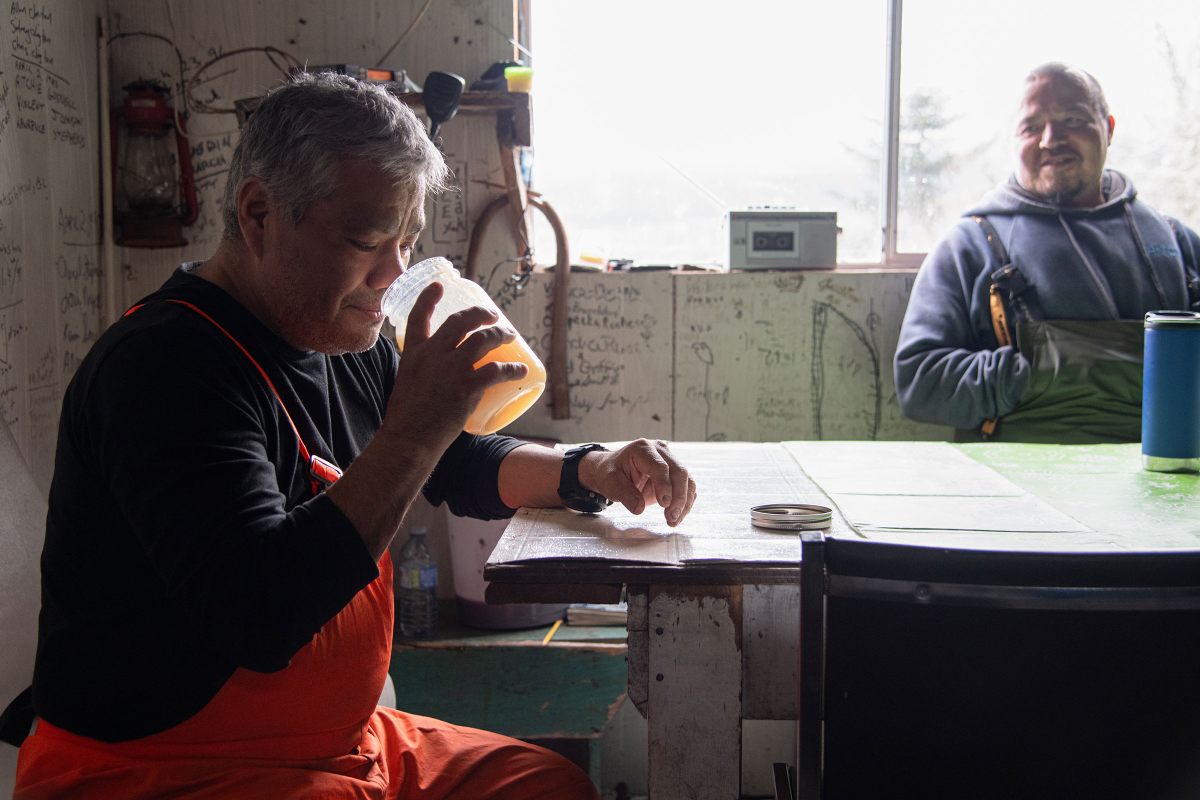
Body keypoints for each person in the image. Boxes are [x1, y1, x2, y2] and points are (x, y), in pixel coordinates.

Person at [10, 72, 696, 799]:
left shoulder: (345, 336)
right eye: (367, 240)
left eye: (407, 242)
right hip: (163, 769)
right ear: (258, 215)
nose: (392, 276)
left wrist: (588, 469)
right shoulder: (163, 367)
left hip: (339, 744)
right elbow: (259, 616)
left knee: (545, 786)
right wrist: (410, 435)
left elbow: (451, 459)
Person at [894, 62, 1200, 443]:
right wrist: (1038, 372)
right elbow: (920, 383)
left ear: (1108, 128)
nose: (1051, 139)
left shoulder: (1175, 241)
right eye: (1032, 127)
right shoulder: (970, 246)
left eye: (1073, 119)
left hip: (1167, 481)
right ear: (1014, 141)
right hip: (1016, 485)